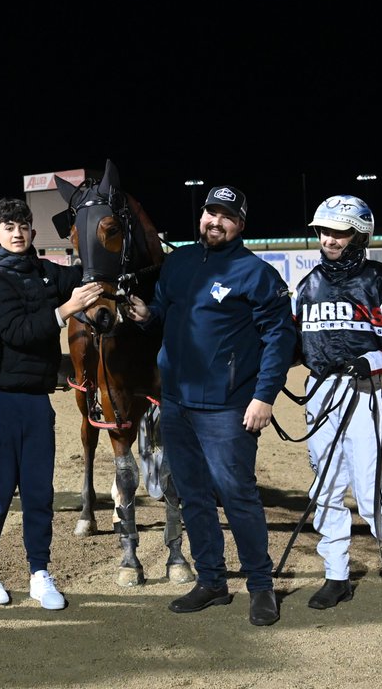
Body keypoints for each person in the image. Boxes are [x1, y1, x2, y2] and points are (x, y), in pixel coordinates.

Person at [125, 185, 296, 626]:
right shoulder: (178, 262)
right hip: (177, 403)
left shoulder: (254, 273)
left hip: (228, 407)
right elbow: (164, 311)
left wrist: (264, 396)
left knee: (237, 495)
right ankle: (212, 581)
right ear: (200, 217)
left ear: (240, 225)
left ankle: (261, 586)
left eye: (225, 216)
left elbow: (279, 338)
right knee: (194, 496)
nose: (214, 222)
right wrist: (148, 315)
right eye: (209, 213)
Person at [294, 195, 382, 613]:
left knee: (370, 492)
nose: (329, 239)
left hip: (362, 393)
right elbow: (293, 344)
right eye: (324, 231)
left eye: (339, 231)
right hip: (319, 394)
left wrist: (369, 361)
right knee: (326, 489)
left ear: (360, 234)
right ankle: (337, 576)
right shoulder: (308, 284)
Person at [0, 198, 102, 610]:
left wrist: (100, 246)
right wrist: (66, 310)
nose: (17, 232)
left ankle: (39, 572)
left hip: (37, 403)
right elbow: (18, 332)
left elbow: (84, 273)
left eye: (24, 225)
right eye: (8, 226)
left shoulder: (44, 271)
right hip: (0, 401)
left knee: (38, 492)